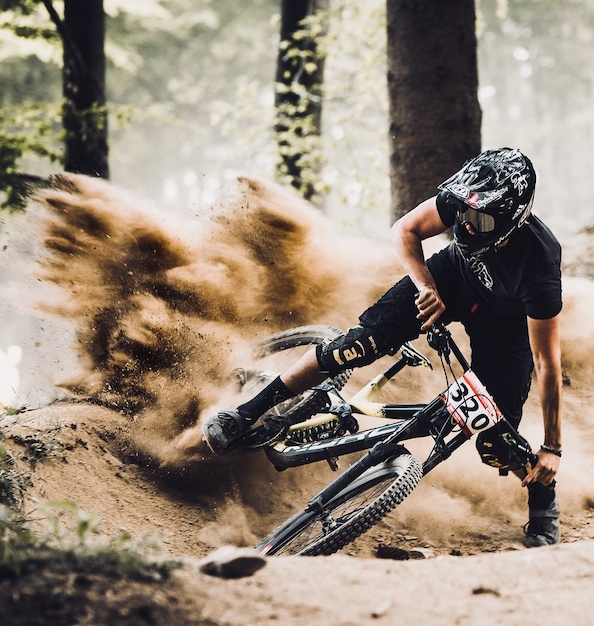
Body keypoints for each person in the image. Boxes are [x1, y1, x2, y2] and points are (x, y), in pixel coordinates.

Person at [202, 147, 564, 547]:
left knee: (495, 439)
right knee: (352, 347)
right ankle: (246, 413)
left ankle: (543, 496)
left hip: (504, 331)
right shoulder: (467, 200)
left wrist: (552, 447)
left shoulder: (539, 264)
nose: (467, 223)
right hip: (447, 279)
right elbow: (405, 230)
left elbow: (547, 363)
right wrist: (426, 285)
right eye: (462, 211)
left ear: (511, 221)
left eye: (480, 218)